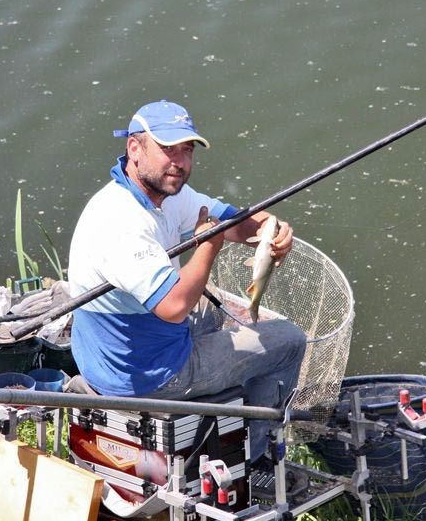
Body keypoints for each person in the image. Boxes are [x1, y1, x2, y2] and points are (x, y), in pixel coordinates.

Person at [67, 99, 307, 467]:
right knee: (289, 340)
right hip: (146, 374)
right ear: (135, 148)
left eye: (187, 151)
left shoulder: (162, 195)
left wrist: (270, 230)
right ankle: (257, 457)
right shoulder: (121, 222)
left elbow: (234, 220)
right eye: (167, 149)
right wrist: (208, 246)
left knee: (219, 313)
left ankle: (230, 410)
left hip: (118, 347)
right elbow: (175, 308)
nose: (179, 162)